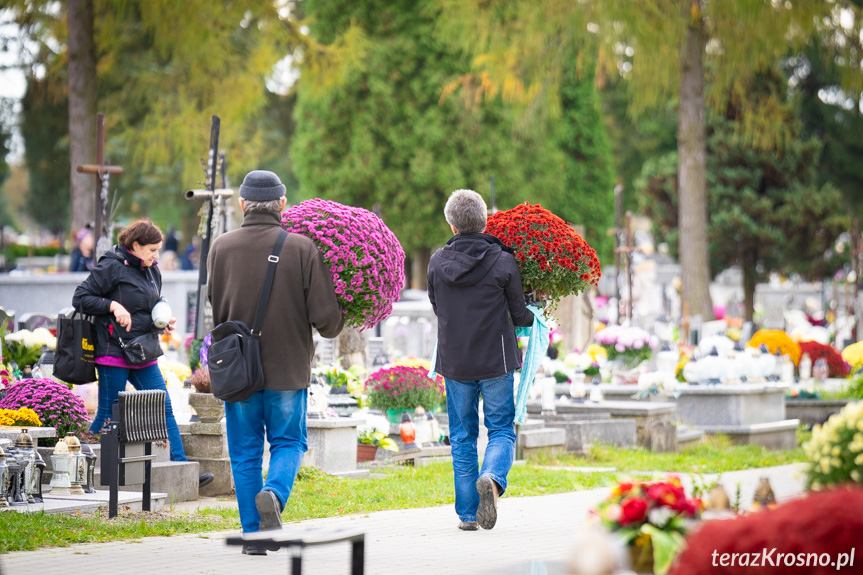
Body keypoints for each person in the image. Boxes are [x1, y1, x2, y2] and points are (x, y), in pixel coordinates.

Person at [207, 170, 344, 555]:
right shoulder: (301, 248)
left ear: (242, 204)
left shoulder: (221, 247)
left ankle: (253, 536)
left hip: (237, 369)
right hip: (287, 368)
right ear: (282, 204)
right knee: (289, 442)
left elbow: (215, 306)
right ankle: (274, 492)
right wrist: (342, 311)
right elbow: (326, 320)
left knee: (245, 451)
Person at [72, 219, 214, 488]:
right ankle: (75, 467)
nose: (156, 256)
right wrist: (113, 305)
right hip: (113, 350)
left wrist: (161, 321)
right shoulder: (111, 265)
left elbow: (147, 305)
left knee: (163, 407)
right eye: (152, 250)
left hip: (143, 350)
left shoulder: (152, 270)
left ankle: (182, 468)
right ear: (135, 246)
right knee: (107, 414)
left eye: (158, 250)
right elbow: (80, 297)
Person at [427, 189, 534, 531]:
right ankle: (492, 477)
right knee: (501, 428)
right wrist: (535, 301)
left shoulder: (436, 262)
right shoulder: (504, 260)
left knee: (461, 435)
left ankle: (468, 515)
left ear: (451, 225)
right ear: (485, 221)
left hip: (456, 362)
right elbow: (521, 316)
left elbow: (437, 307)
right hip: (497, 360)